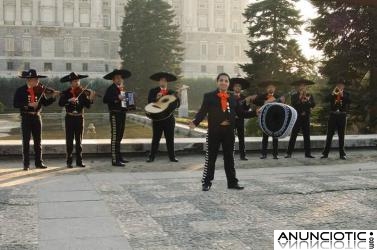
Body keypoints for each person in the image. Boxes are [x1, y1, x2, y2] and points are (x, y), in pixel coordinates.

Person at [189, 73, 256, 191]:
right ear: (217, 82)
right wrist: (195, 122)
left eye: (226, 81)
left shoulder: (233, 98)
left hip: (229, 132)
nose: (223, 82)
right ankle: (206, 182)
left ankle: (232, 182)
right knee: (211, 158)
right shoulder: (209, 96)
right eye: (221, 80)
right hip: (214, 132)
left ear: (228, 84)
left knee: (229, 158)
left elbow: (241, 113)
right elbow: (202, 112)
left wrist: (255, 112)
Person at [13, 69, 58, 171]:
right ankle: (26, 164)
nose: (37, 82)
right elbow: (15, 104)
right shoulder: (20, 90)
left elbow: (45, 103)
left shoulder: (39, 90)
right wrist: (28, 104)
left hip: (37, 117)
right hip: (26, 117)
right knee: (26, 141)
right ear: (29, 80)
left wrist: (54, 97)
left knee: (38, 141)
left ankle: (39, 162)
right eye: (35, 80)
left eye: (37, 79)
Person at [59, 72, 95, 168]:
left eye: (78, 81)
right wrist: (68, 100)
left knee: (79, 141)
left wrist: (91, 97)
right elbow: (60, 103)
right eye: (75, 81)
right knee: (69, 140)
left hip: (79, 118)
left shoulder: (82, 92)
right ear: (71, 83)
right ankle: (69, 161)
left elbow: (88, 106)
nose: (77, 83)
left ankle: (79, 161)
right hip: (69, 118)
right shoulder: (66, 92)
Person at [147, 72, 180, 163]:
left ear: (167, 82)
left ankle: (172, 157)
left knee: (170, 139)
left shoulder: (172, 92)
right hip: (157, 119)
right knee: (155, 138)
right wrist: (156, 99)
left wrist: (177, 98)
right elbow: (149, 103)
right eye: (161, 80)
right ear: (159, 82)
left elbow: (177, 105)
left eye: (165, 81)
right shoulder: (153, 91)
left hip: (169, 119)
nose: (163, 82)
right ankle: (151, 157)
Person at [103, 69, 132, 167]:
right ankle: (115, 160)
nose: (119, 79)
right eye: (117, 78)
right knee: (115, 137)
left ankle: (119, 157)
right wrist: (117, 98)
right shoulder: (111, 88)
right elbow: (105, 99)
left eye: (120, 78)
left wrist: (130, 104)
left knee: (119, 137)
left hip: (122, 114)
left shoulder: (122, 89)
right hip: (115, 115)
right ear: (113, 80)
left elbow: (125, 103)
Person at [285, 79, 316, 159]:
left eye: (304, 86)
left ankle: (308, 154)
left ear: (306, 87)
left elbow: (313, 105)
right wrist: (300, 98)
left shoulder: (309, 95)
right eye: (301, 86)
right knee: (293, 135)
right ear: (298, 87)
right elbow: (294, 104)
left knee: (307, 136)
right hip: (297, 117)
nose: (302, 87)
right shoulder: (294, 95)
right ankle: (289, 153)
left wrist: (308, 100)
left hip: (306, 117)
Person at [254, 81, 285, 159]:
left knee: (275, 137)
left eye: (272, 87)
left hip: (275, 119)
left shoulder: (278, 96)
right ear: (266, 89)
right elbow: (255, 101)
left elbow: (282, 108)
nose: (270, 89)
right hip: (266, 119)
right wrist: (265, 102)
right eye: (269, 88)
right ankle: (264, 154)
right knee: (265, 137)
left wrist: (282, 101)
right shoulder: (262, 96)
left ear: (275, 89)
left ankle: (275, 154)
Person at [321, 79, 351, 160]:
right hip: (333, 115)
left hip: (342, 116)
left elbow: (349, 101)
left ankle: (342, 154)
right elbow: (326, 99)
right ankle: (325, 153)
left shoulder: (347, 94)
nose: (340, 86)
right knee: (329, 135)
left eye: (341, 85)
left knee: (341, 135)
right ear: (336, 85)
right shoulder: (333, 93)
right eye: (338, 85)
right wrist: (332, 94)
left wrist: (342, 96)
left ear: (344, 86)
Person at [229, 77, 257, 160]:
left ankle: (242, 155)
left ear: (241, 88)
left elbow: (246, 110)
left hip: (240, 120)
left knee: (241, 138)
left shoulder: (244, 97)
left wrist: (248, 103)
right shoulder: (229, 97)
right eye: (236, 86)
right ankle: (229, 155)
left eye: (239, 86)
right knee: (230, 139)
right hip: (231, 120)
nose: (237, 88)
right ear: (233, 88)